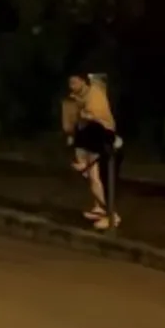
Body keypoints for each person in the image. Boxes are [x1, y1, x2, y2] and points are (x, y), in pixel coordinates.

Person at [63, 72, 122, 230]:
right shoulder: (75, 98)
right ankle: (100, 208)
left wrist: (82, 113)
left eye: (75, 83)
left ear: (84, 82)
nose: (72, 87)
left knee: (95, 176)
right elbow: (72, 120)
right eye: (70, 83)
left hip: (100, 134)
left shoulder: (94, 94)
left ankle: (111, 215)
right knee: (92, 176)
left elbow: (94, 116)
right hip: (88, 136)